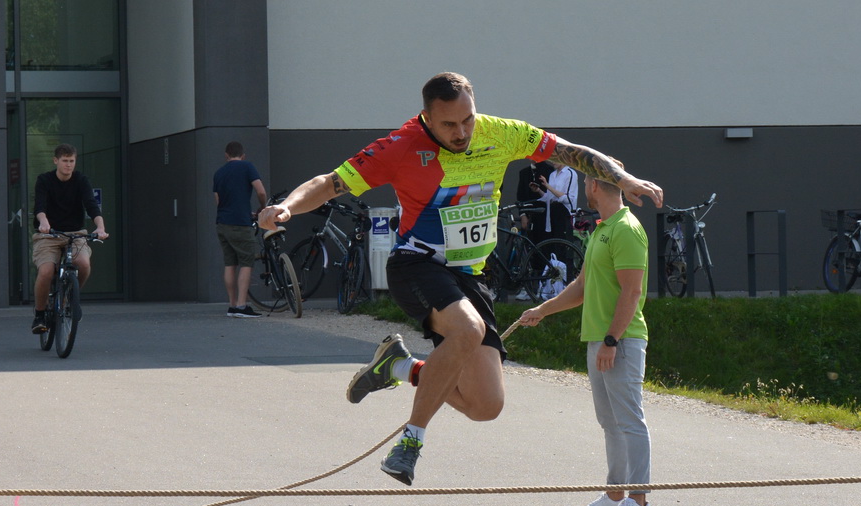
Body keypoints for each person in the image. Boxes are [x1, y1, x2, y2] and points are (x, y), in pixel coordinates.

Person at [258, 72, 662, 485]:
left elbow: (571, 151)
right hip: (417, 264)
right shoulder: (400, 147)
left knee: (486, 405)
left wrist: (622, 178)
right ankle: (410, 443)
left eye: (467, 120)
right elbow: (330, 183)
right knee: (467, 330)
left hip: (471, 274)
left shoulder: (502, 133)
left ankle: (400, 366)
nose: (462, 132)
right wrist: (288, 207)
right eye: (449, 124)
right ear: (427, 119)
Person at [517, 170, 652, 506]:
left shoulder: (625, 228)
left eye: (586, 183)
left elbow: (632, 292)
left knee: (629, 421)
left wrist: (611, 340)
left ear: (593, 186)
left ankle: (639, 504)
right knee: (610, 423)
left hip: (618, 341)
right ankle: (615, 495)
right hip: (600, 339)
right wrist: (542, 310)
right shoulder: (602, 229)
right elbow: (582, 284)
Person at [32, 144, 109, 333]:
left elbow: (91, 205)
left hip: (76, 234)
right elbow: (39, 207)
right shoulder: (44, 180)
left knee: (83, 264)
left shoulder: (81, 180)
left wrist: (100, 227)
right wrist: (43, 222)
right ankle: (39, 315)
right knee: (46, 271)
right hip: (48, 234)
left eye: (71, 161)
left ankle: (70, 298)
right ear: (56, 161)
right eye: (65, 161)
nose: (68, 165)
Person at [214, 141, 268, 318]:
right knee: (246, 262)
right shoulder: (247, 166)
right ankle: (242, 306)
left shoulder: (219, 173)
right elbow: (260, 192)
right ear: (243, 155)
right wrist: (262, 207)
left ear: (226, 155)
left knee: (230, 264)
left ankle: (231, 305)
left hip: (222, 223)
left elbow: (219, 201)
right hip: (240, 224)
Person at [536, 157, 580, 240]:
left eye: (555, 159)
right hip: (552, 212)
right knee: (553, 243)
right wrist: (538, 190)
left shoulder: (570, 173)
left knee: (562, 243)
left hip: (564, 212)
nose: (552, 162)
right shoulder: (552, 174)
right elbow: (549, 198)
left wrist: (548, 186)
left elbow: (569, 198)